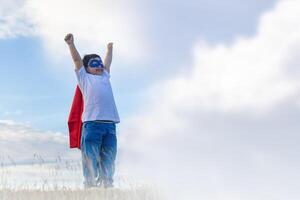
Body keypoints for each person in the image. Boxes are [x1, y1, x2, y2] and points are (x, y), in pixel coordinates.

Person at [64, 33, 120, 188]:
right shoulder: (84, 78)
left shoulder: (105, 77)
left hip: (110, 126)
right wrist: (71, 44)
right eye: (94, 63)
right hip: (92, 125)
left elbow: (108, 62)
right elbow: (76, 60)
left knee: (109, 158)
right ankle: (90, 187)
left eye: (100, 63)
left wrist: (109, 49)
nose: (99, 66)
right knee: (90, 158)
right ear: (87, 68)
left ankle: (107, 187)